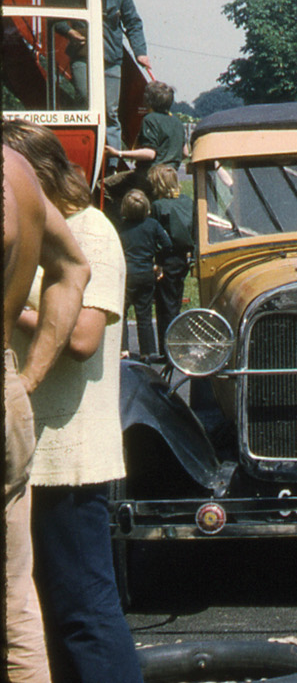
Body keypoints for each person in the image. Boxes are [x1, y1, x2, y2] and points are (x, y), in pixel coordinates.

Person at [4, 122, 140, 683]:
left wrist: (12, 310)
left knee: (82, 606)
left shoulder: (92, 232)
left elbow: (83, 337)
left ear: (36, 174)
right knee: (40, 607)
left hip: (70, 454)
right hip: (32, 449)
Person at [5, 143, 91, 683]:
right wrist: (28, 377)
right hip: (5, 388)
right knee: (14, 597)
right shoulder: (16, 171)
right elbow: (73, 268)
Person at [117, 188, 171, 359]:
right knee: (144, 314)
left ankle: (123, 349)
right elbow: (167, 244)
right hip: (146, 272)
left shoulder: (121, 227)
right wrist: (158, 263)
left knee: (122, 312)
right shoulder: (153, 225)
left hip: (126, 274)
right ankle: (146, 352)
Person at [101, 0, 152, 154]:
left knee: (110, 112)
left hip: (111, 59)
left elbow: (133, 22)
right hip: (83, 57)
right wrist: (69, 31)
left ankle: (112, 161)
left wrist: (140, 51)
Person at [148, 164, 195, 338]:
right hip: (183, 259)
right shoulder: (187, 201)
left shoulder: (158, 206)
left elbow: (155, 237)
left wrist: (157, 262)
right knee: (175, 302)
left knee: (164, 307)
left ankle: (167, 345)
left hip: (166, 260)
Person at [117, 80, 187, 176]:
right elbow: (185, 153)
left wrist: (118, 153)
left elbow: (150, 153)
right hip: (171, 175)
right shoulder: (177, 122)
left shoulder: (150, 119)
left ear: (147, 101)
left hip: (150, 175)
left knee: (107, 183)